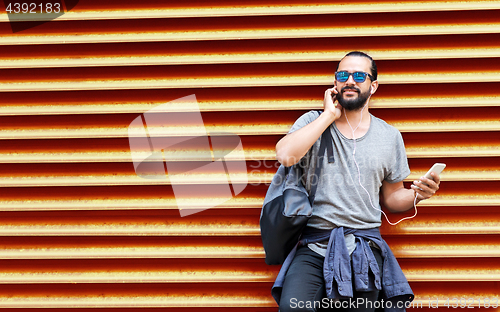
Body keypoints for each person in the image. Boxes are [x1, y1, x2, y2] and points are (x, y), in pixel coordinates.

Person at [273, 51, 441, 312]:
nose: (350, 80)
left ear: (373, 85)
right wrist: (329, 115)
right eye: (343, 75)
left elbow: (392, 199)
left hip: (364, 250)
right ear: (335, 83)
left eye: (359, 75)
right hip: (314, 246)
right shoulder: (312, 121)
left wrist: (418, 194)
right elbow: (285, 155)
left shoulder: (389, 136)